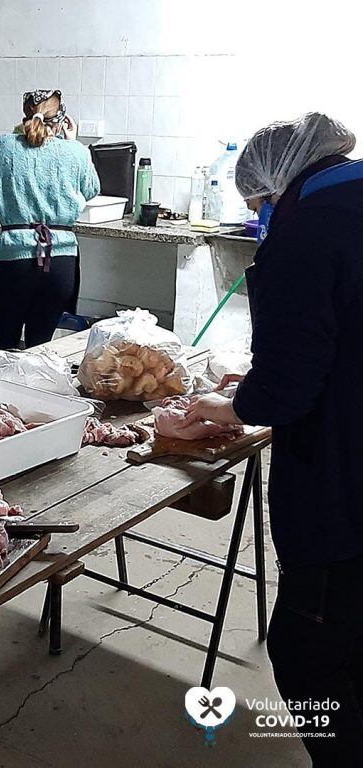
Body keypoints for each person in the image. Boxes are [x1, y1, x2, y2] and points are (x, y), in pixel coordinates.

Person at [182, 113, 362, 766]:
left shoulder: (306, 233)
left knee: (307, 654)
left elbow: (286, 392)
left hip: (344, 493)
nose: (260, 218)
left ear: (275, 185)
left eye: (259, 206)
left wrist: (225, 403)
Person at [0, 89, 99, 350]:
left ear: (25, 117)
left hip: (15, 260)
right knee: (40, 348)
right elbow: (90, 189)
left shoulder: (2, 146)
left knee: (6, 348)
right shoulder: (75, 152)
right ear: (61, 121)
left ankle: (3, 388)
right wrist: (74, 142)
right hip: (61, 262)